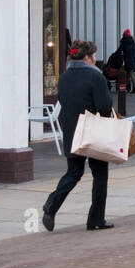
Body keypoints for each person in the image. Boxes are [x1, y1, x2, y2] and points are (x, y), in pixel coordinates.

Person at [43, 40, 115, 232]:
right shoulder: (95, 76)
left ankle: (52, 204)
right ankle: (95, 220)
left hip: (71, 130)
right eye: (94, 56)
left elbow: (62, 100)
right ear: (87, 57)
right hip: (93, 131)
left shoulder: (65, 77)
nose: (96, 59)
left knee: (74, 172)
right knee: (99, 174)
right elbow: (104, 106)